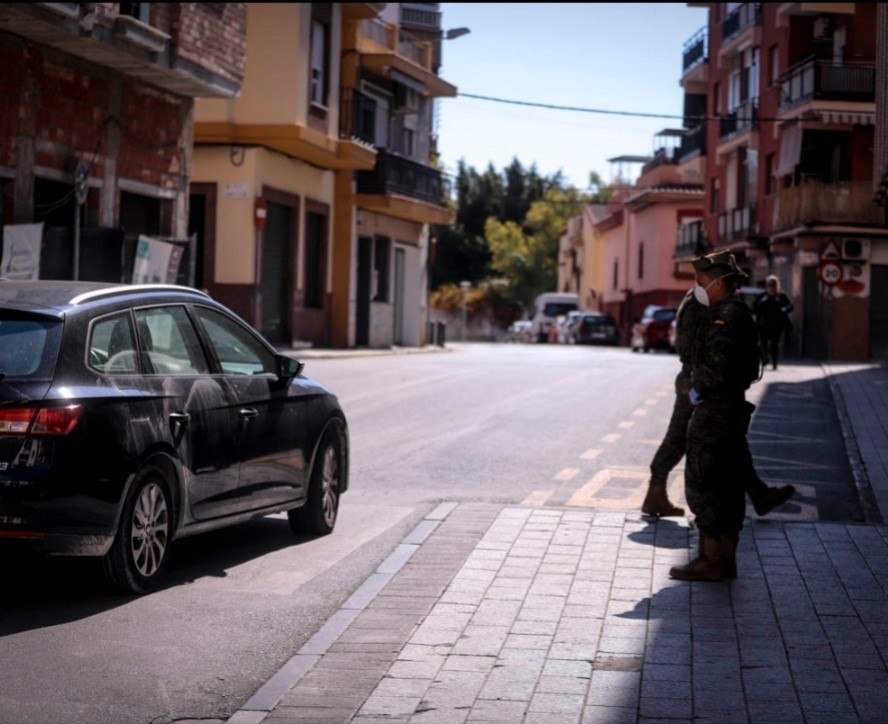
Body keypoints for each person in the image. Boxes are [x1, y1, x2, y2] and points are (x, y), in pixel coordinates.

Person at [669, 252, 790, 582]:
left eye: (703, 281)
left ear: (720, 282)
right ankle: (725, 559)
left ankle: (710, 560)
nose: (699, 287)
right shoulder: (736, 311)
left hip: (715, 410)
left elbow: (717, 367)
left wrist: (696, 389)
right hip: (730, 408)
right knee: (730, 483)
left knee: (703, 482)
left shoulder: (725, 315)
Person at [641, 282, 795, 520]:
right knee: (687, 438)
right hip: (703, 382)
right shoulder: (706, 300)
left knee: (730, 439)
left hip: (700, 379)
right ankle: (658, 492)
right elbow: (711, 344)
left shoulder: (699, 297)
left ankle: (758, 494)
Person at [753, 275, 793, 370]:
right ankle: (765, 359)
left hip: (777, 325)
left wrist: (784, 309)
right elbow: (754, 307)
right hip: (763, 325)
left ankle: (775, 363)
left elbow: (790, 306)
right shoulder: (762, 296)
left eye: (773, 285)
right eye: (769, 285)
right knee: (763, 344)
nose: (771, 288)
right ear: (766, 286)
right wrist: (761, 302)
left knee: (775, 344)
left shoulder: (781, 296)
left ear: (777, 286)